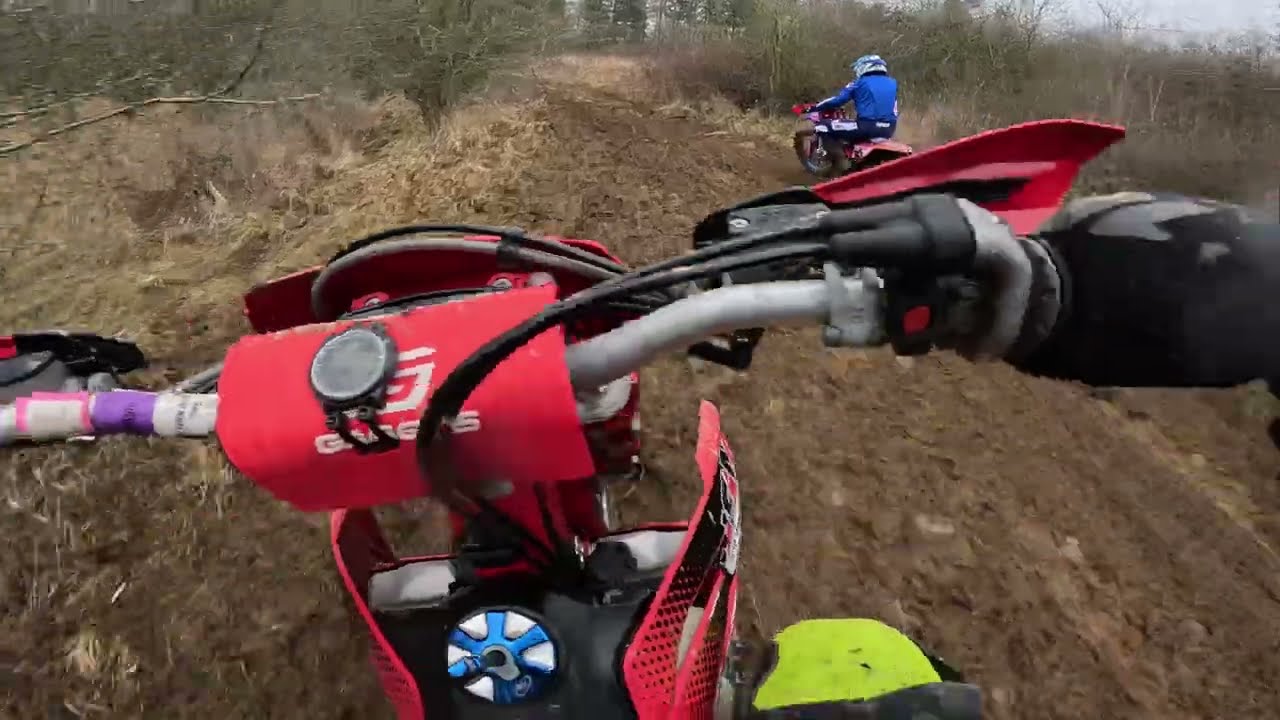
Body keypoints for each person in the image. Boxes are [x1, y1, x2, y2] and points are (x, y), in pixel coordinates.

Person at [807, 54, 901, 158]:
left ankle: (838, 162)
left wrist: (814, 107)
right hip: (889, 129)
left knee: (823, 125)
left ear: (865, 67)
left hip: (867, 127)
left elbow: (838, 100)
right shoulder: (893, 83)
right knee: (852, 126)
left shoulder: (859, 83)